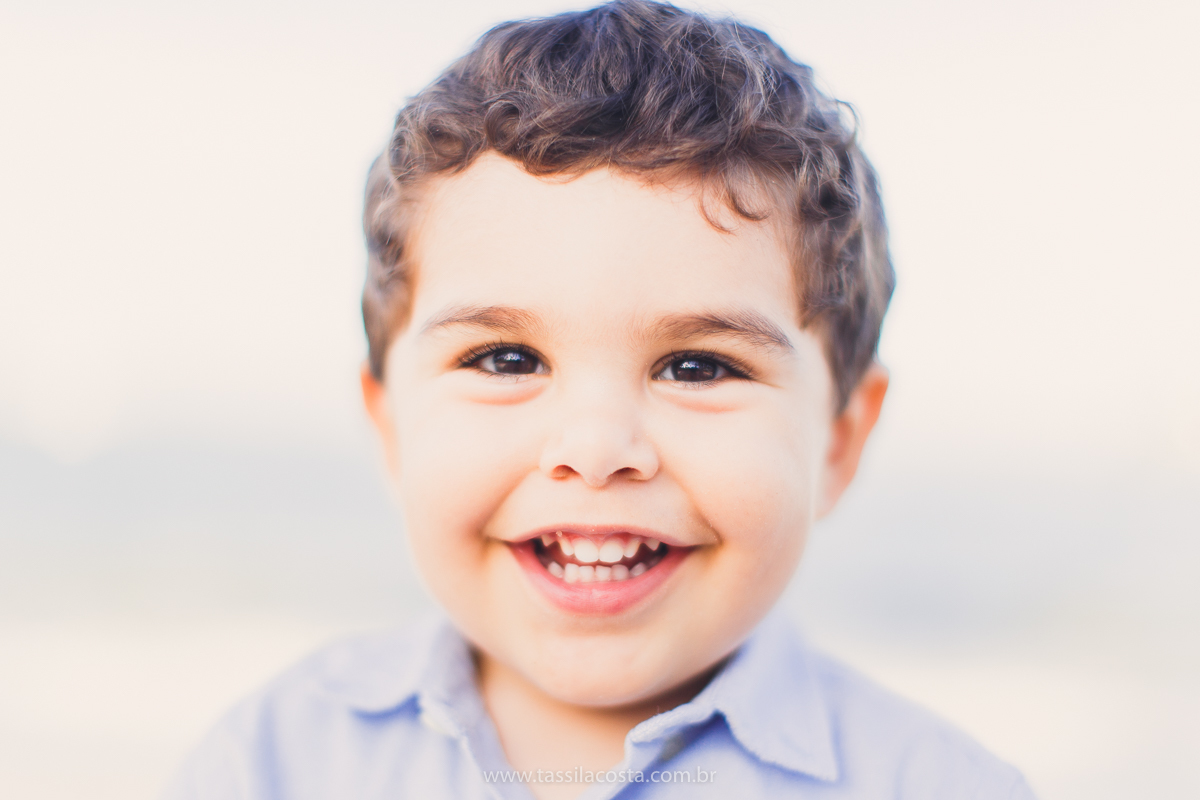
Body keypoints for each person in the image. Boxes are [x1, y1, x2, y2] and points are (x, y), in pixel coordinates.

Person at [163, 1, 1037, 797]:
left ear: (840, 441)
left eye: (697, 367)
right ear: (389, 422)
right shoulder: (272, 762)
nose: (594, 445)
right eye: (506, 358)